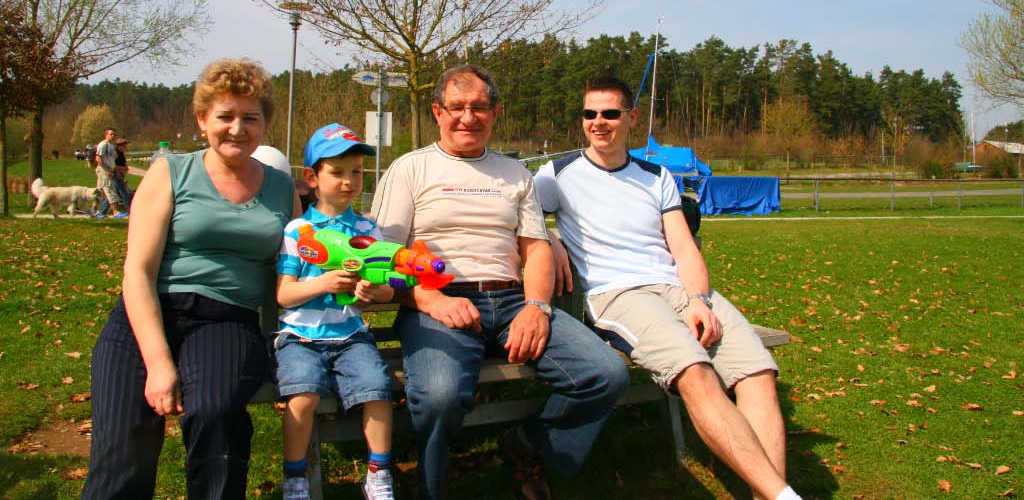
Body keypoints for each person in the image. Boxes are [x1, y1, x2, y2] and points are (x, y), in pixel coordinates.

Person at [534, 75, 801, 500]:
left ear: (631, 118)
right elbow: (520, 219)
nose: (598, 122)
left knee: (758, 373)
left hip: (676, 288)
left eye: (609, 113)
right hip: (617, 296)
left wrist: (698, 300)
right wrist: (549, 236)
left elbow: (684, 247)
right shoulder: (556, 174)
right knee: (695, 373)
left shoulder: (657, 176)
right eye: (589, 113)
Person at [370, 65, 629, 500]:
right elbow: (381, 256)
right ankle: (431, 486)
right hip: (439, 302)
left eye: (479, 107)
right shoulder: (410, 169)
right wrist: (430, 301)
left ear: (495, 112)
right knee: (439, 396)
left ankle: (527, 445)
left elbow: (536, 249)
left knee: (605, 373)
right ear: (437, 111)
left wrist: (537, 307)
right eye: (456, 107)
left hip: (511, 302)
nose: (467, 117)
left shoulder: (515, 173)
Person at [81, 58, 300, 500]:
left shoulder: (282, 187)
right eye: (225, 116)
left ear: (265, 124)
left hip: (227, 320)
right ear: (202, 120)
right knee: (123, 450)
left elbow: (300, 263)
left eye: (250, 118)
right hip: (149, 314)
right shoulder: (170, 172)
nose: (237, 128)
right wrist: (159, 363)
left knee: (216, 416)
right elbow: (138, 271)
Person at [275, 123, 397, 500]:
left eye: (357, 172)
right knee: (303, 397)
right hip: (300, 338)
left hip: (350, 336)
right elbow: (284, 294)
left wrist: (371, 292)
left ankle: (379, 474)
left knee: (378, 390)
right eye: (337, 172)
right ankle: (295, 478)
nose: (349, 181)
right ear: (312, 178)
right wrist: (323, 284)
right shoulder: (298, 231)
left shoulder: (367, 230)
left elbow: (387, 288)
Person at [94, 128, 127, 218]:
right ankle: (115, 212)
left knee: (100, 191)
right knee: (110, 190)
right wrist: (106, 169)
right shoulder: (103, 144)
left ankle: (94, 211)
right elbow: (98, 158)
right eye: (111, 134)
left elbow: (112, 161)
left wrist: (115, 170)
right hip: (104, 170)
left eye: (114, 134)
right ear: (106, 135)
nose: (113, 136)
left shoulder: (111, 146)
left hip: (109, 170)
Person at [112, 137, 133, 209]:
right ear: (120, 146)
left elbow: (124, 162)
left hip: (121, 174)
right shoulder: (116, 153)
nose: (126, 147)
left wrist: (126, 168)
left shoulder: (121, 153)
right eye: (125, 145)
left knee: (115, 192)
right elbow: (113, 165)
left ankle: (102, 210)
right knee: (123, 192)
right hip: (117, 174)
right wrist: (120, 170)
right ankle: (129, 209)